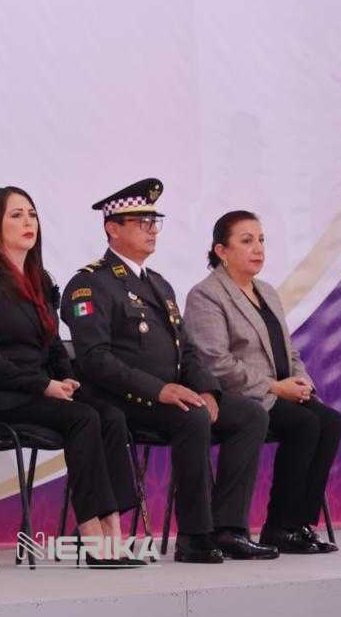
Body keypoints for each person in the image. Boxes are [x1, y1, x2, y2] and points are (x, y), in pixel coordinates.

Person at [61, 179, 276, 564]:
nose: (151, 230)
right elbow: (96, 359)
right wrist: (159, 390)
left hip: (170, 395)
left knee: (249, 415)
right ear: (113, 227)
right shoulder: (90, 284)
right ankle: (195, 535)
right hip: (121, 400)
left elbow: (187, 350)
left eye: (154, 221)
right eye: (141, 221)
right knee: (190, 416)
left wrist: (209, 390)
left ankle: (228, 528)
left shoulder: (158, 284)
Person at [0, 187, 139, 566]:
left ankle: (114, 527)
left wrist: (67, 380)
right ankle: (91, 534)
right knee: (83, 418)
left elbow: (53, 344)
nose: (27, 223)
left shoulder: (40, 279)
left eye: (32, 215)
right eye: (16, 215)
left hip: (37, 389)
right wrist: (41, 385)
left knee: (111, 414)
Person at [184, 211, 341, 554]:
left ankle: (297, 524)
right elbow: (215, 362)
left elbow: (289, 350)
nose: (258, 248)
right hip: (238, 397)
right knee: (304, 424)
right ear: (221, 251)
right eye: (246, 240)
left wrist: (302, 381)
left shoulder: (267, 291)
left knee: (329, 420)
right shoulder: (206, 295)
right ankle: (278, 527)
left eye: (261, 240)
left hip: (280, 392)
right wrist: (274, 387)